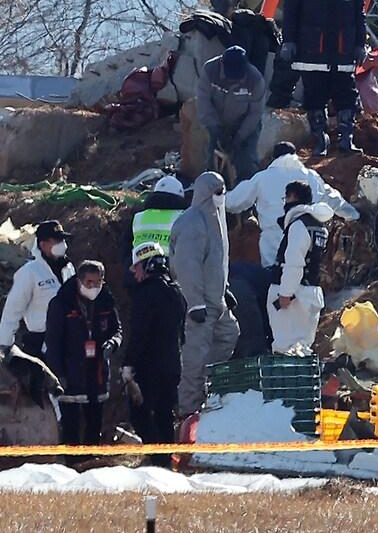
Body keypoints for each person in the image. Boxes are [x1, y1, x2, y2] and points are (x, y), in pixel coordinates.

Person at [281, 0, 367, 156]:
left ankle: (347, 138)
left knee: (346, 95)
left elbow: (359, 13)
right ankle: (321, 139)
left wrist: (359, 43)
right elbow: (291, 8)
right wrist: (289, 40)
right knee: (314, 95)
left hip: (342, 49)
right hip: (311, 48)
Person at [169, 172, 241, 416]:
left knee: (229, 334)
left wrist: (226, 290)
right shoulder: (193, 222)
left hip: (216, 301)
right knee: (194, 355)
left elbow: (217, 262)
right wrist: (195, 303)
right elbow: (187, 266)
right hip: (199, 303)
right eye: (218, 191)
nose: (222, 196)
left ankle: (208, 388)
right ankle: (188, 408)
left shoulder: (216, 219)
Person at [225, 142, 359, 268]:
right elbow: (334, 200)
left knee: (273, 281)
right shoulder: (312, 177)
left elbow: (234, 203)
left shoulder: (262, 178)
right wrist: (353, 215)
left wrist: (216, 197)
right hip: (307, 244)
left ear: (274, 158)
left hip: (274, 244)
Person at [121, 242, 187, 467]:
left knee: (139, 413)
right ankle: (166, 459)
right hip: (172, 364)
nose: (136, 274)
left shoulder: (145, 294)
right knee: (164, 413)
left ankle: (157, 459)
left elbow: (139, 333)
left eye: (137, 268)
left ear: (147, 265)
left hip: (149, 366)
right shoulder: (176, 291)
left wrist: (128, 363)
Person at [43, 260, 120, 446]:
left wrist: (113, 343)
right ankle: (72, 464)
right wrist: (57, 375)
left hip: (97, 372)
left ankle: (90, 462)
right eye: (89, 283)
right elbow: (53, 342)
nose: (94, 287)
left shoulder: (106, 301)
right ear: (79, 281)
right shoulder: (61, 303)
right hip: (71, 372)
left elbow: (117, 330)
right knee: (71, 425)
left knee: (94, 423)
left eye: (98, 282)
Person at [266, 182, 334, 354]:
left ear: (293, 197)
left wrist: (285, 293)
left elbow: (294, 263)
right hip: (312, 293)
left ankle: (286, 381)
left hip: (295, 297)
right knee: (303, 349)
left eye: (286, 198)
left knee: (285, 348)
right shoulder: (319, 227)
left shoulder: (298, 225)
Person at [0, 221, 76, 358]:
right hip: (40, 342)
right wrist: (4, 346)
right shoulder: (30, 272)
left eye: (63, 240)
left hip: (68, 337)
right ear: (43, 245)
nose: (62, 244)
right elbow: (12, 310)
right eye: (57, 240)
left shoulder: (68, 268)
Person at [197, 45, 266, 183]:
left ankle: (246, 195)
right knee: (213, 160)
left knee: (246, 162)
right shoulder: (210, 70)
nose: (233, 79)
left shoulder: (255, 79)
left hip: (245, 125)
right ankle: (214, 193)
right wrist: (215, 129)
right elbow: (203, 101)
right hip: (217, 123)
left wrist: (239, 138)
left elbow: (255, 112)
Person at [132, 175, 189, 254]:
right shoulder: (184, 218)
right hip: (171, 265)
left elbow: (126, 249)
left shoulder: (138, 218)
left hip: (142, 265)